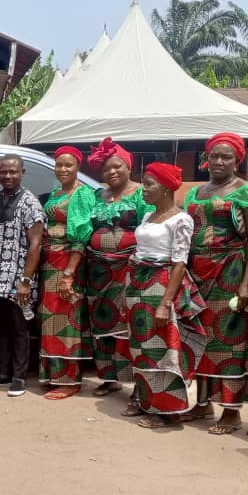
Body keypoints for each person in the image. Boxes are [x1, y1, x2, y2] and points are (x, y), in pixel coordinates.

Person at [182, 132, 248, 434]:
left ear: (237, 160)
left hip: (229, 271)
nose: (218, 161)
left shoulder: (247, 192)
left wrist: (247, 283)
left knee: (229, 341)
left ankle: (231, 411)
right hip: (198, 272)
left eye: (226, 157)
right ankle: (203, 404)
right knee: (201, 337)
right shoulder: (196, 192)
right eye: (214, 156)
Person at [125, 163, 208, 429]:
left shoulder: (180, 219)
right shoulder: (148, 216)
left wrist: (165, 303)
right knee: (141, 349)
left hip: (160, 286)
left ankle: (169, 411)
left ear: (166, 187)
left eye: (149, 185)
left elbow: (179, 263)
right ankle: (148, 401)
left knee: (164, 348)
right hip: (138, 285)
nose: (144, 190)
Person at [86, 138, 152, 411]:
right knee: (102, 324)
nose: (111, 173)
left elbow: (150, 229)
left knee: (129, 326)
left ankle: (137, 384)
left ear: (129, 167)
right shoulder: (97, 196)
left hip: (128, 268)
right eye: (106, 169)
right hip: (98, 269)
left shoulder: (141, 194)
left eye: (117, 167)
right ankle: (108, 377)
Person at [0, 155, 45, 397]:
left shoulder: (31, 204)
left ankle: (19, 377)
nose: (8, 176)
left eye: (13, 172)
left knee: (20, 329)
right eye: (3, 172)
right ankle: (2, 373)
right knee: (2, 329)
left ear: (23, 172)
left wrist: (26, 281)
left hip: (19, 280)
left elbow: (36, 245)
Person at [40, 146, 96, 399]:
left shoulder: (82, 194)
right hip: (50, 263)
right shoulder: (55, 193)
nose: (62, 169)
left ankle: (69, 380)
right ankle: (52, 374)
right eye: (59, 164)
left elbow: (80, 237)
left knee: (67, 321)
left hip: (66, 263)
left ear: (78, 168)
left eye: (68, 165)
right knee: (50, 320)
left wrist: (69, 274)